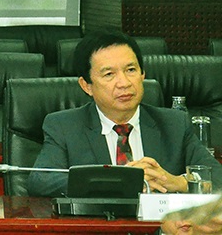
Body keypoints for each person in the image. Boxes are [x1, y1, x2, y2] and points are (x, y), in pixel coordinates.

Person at [29, 30, 222, 197]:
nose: (124, 83)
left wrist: (175, 182)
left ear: (142, 74)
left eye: (131, 70)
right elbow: (41, 181)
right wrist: (120, 181)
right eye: (109, 74)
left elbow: (217, 177)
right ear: (86, 86)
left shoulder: (173, 124)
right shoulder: (64, 126)